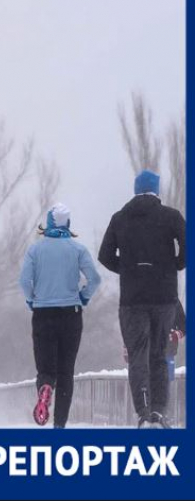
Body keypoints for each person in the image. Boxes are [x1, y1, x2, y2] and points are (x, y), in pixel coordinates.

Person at [99, 169, 186, 429]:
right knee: (159, 355)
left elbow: (104, 255)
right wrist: (173, 266)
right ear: (156, 190)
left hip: (132, 300)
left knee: (138, 356)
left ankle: (143, 412)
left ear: (136, 189)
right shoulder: (171, 217)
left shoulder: (120, 218)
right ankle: (159, 412)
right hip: (163, 298)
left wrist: (128, 269)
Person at [20, 203, 101, 428]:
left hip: (43, 314)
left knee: (46, 368)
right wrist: (83, 297)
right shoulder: (78, 249)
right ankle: (59, 426)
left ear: (48, 223)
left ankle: (45, 386)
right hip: (71, 315)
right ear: (68, 224)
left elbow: (24, 281)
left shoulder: (35, 250)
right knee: (66, 372)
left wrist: (31, 299)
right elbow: (94, 279)